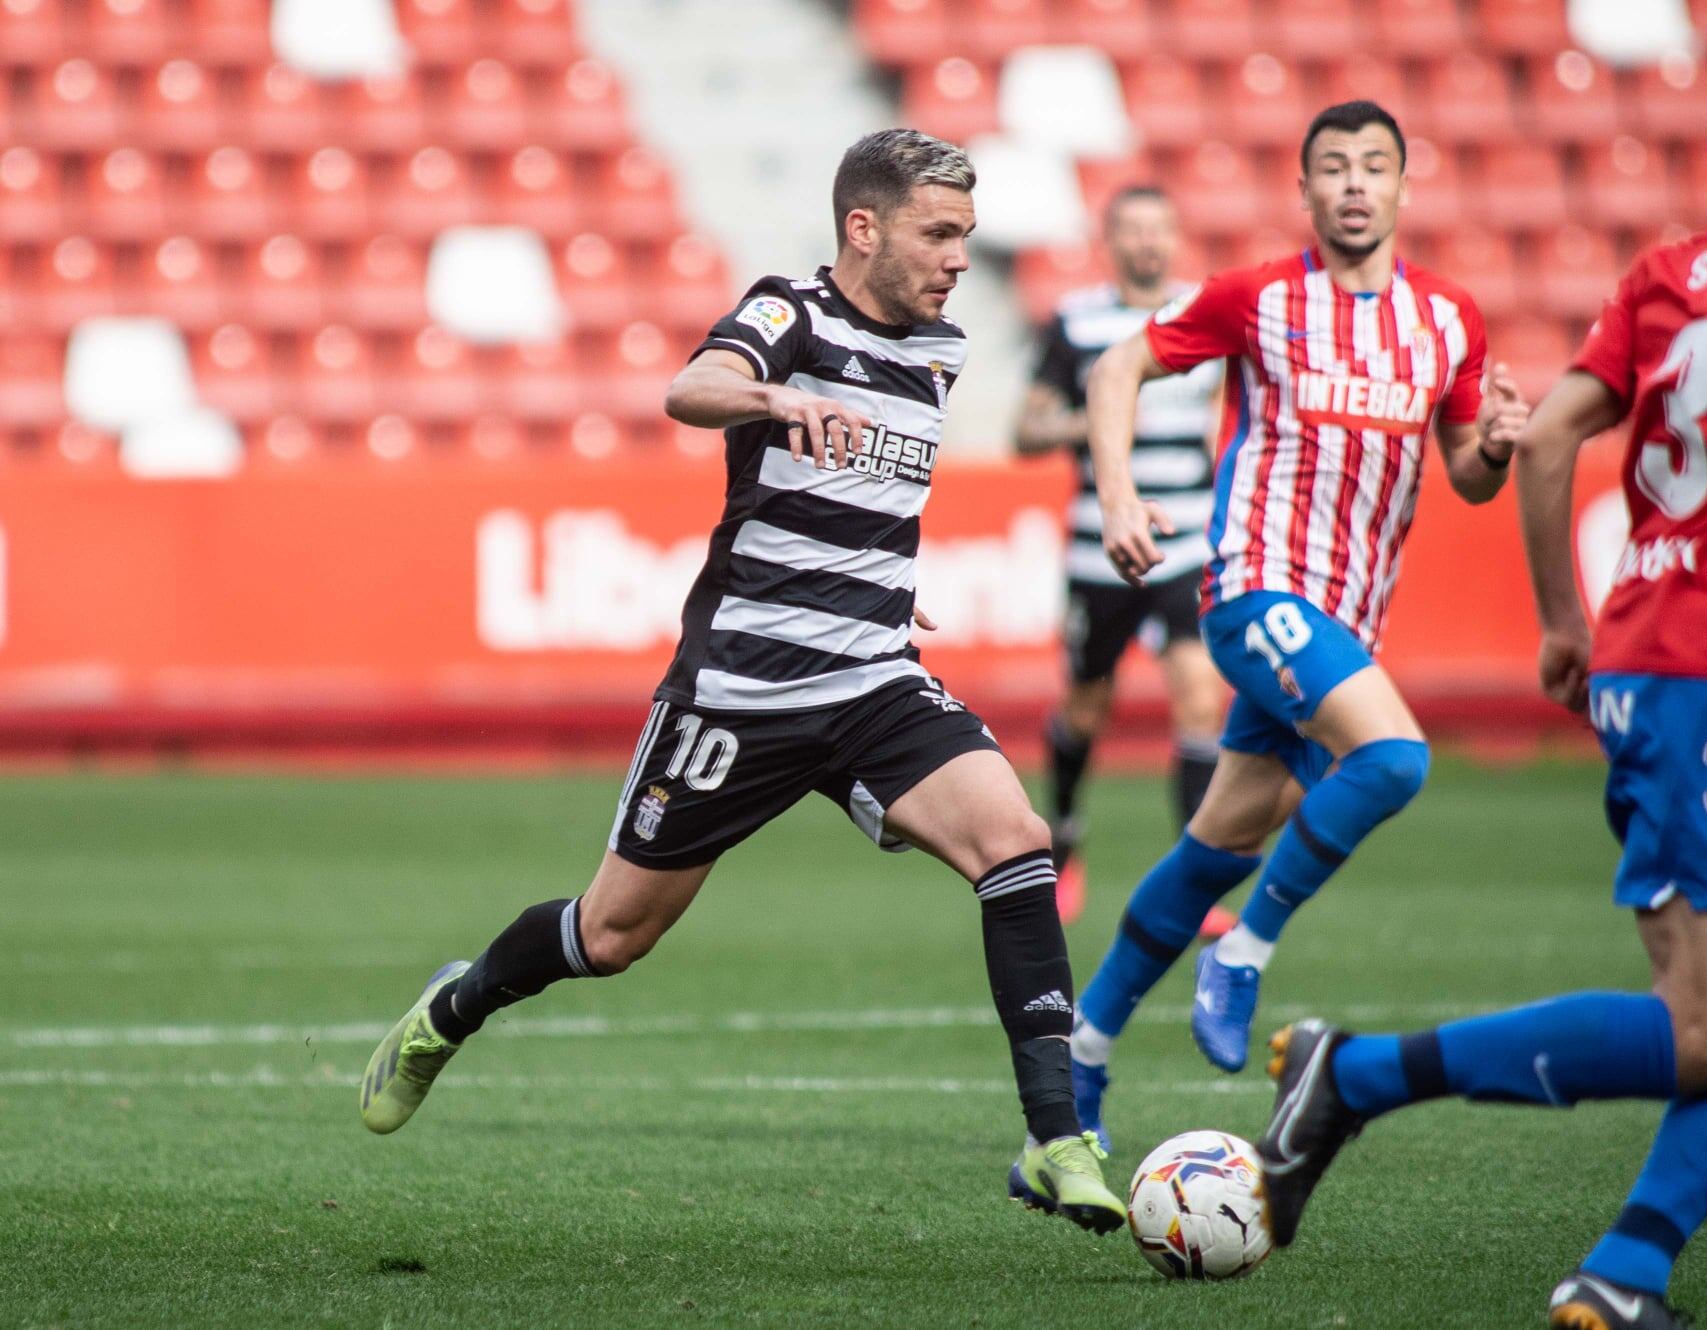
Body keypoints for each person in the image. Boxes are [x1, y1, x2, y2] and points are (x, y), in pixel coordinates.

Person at [1252, 8, 1707, 1328]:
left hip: (1659, 657)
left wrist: (1562, 621)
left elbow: (1556, 434)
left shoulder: (1674, 264)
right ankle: (1355, 1074)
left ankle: (1622, 1272)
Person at [358, 129, 1125, 1237]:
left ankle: (1056, 1135)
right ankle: (454, 1006)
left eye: (965, 233)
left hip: (869, 681)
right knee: (613, 935)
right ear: (863, 227)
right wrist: (772, 403)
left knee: (1012, 841)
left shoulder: (942, 347)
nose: (961, 257)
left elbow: (868, 501)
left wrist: (877, 589)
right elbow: (693, 386)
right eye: (939, 232)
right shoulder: (791, 314)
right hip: (737, 692)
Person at [1071, 100, 1530, 1148]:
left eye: (1374, 165)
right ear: (1306, 191)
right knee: (1395, 758)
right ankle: (1243, 950)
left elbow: (1462, 473)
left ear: (1404, 186)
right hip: (1254, 589)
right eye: (1334, 167)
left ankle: (1079, 1063)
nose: (1355, 183)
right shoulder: (1260, 299)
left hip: (1344, 619)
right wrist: (1116, 495)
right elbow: (1117, 367)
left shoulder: (1448, 320)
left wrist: (1497, 442)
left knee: (1216, 841)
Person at [1014, 185, 1231, 932]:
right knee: (1087, 708)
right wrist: (1101, 413)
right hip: (1098, 547)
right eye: (1132, 230)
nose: (1147, 243)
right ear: (1110, 240)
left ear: (1174, 237)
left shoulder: (1204, 315)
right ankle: (1064, 838)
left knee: (1201, 699)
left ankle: (1194, 881)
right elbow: (1026, 430)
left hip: (1189, 540)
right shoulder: (1077, 323)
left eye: (1158, 229)